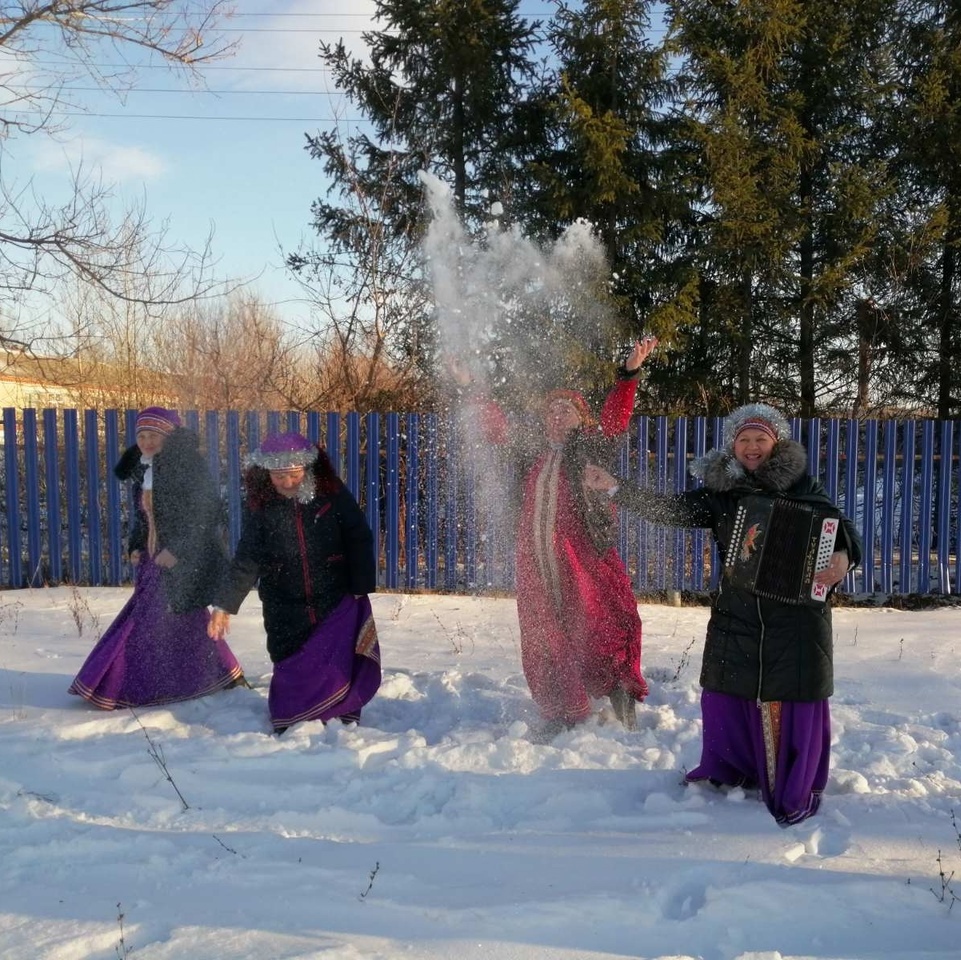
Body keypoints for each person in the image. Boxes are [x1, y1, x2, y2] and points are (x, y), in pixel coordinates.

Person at [584, 402, 862, 826]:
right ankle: (731, 771)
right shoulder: (722, 494)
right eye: (744, 440)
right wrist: (615, 488)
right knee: (727, 691)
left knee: (787, 696)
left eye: (760, 440)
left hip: (796, 620)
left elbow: (844, 533)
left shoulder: (804, 486)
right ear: (733, 447)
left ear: (776, 444)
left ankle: (790, 783)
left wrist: (844, 559)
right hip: (739, 610)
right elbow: (671, 509)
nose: (752, 447)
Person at [454, 338, 657, 739]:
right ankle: (564, 708)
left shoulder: (592, 445)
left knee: (603, 624)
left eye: (567, 410)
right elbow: (495, 428)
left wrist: (629, 375)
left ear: (582, 418)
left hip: (583, 556)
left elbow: (616, 419)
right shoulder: (530, 450)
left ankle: (617, 696)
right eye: (551, 410)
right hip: (536, 558)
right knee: (545, 632)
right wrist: (469, 386)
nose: (557, 416)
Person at [69, 406, 245, 709]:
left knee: (148, 620)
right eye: (141, 435)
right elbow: (145, 517)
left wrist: (177, 551)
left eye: (153, 435)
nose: (147, 441)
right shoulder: (146, 468)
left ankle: (123, 685)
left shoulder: (187, 468)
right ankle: (221, 673)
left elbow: (206, 515)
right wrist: (137, 545)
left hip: (182, 560)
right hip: (154, 560)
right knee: (183, 618)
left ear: (169, 437)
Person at [208, 432, 380, 734]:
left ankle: (339, 713)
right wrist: (225, 604)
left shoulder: (332, 495)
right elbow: (248, 556)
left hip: (333, 595)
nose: (287, 483)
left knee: (333, 659)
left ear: (308, 469)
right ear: (266, 474)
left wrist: (360, 585)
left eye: (294, 474)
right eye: (278, 476)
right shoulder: (260, 506)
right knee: (289, 658)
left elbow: (358, 536)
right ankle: (294, 717)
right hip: (282, 600)